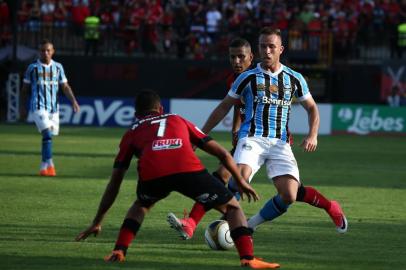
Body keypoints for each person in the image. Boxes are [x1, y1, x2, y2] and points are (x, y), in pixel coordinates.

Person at [167, 31, 348, 240]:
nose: (267, 50)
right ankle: (214, 224)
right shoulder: (247, 77)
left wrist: (313, 134)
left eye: (271, 46)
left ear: (281, 49)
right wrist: (199, 136)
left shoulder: (294, 78)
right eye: (263, 46)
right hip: (252, 138)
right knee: (236, 178)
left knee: (290, 194)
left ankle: (249, 225)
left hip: (280, 143)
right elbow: (225, 107)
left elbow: (312, 108)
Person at [75, 90, 280, 269]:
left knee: (141, 205)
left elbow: (115, 182)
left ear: (136, 115)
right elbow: (222, 154)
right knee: (233, 208)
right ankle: (247, 259)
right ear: (161, 108)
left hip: (153, 174)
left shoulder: (132, 132)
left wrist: (97, 221)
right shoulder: (176, 119)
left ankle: (119, 251)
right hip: (187, 169)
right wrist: (240, 180)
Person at [21, 39, 80, 177]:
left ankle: (43, 166)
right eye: (42, 50)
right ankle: (51, 165)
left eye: (48, 50)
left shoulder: (58, 67)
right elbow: (24, 90)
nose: (45, 53)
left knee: (48, 137)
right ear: (39, 52)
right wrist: (22, 107)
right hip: (38, 106)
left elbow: (65, 86)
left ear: (53, 52)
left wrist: (73, 101)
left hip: (53, 108)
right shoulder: (33, 68)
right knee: (47, 134)